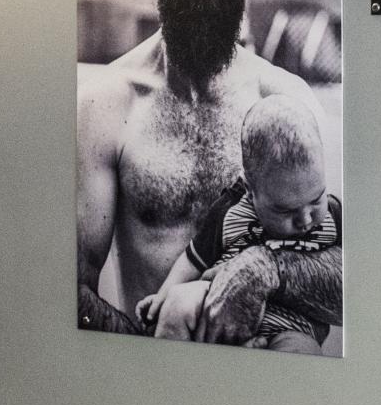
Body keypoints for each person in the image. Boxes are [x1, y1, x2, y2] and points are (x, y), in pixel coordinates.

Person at [77, 0, 342, 340]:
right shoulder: (104, 104)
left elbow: (346, 285)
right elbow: (69, 291)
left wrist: (265, 268)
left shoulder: (285, 104)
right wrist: (159, 355)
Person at [136, 95, 341, 353]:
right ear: (250, 189)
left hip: (290, 324)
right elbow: (192, 259)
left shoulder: (335, 215)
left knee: (302, 350)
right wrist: (161, 300)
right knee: (178, 306)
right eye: (285, 209)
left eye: (316, 199)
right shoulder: (231, 210)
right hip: (215, 305)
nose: (306, 219)